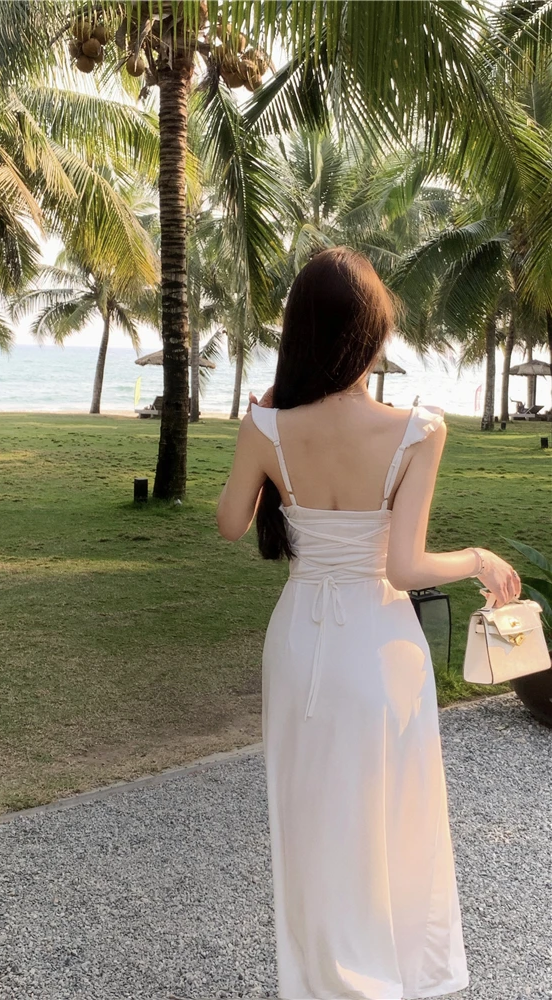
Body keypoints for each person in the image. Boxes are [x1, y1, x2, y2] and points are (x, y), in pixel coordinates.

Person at [216, 247, 520, 1000]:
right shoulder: (418, 430)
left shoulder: (266, 426)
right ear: (369, 335)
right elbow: (406, 568)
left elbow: (230, 523)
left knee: (309, 818)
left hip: (299, 642)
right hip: (379, 645)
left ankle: (323, 978)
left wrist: (266, 423)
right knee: (394, 815)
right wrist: (479, 558)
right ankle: (395, 973)